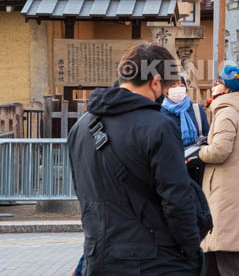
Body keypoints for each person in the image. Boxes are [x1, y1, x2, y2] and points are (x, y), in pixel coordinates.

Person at [68, 42, 202, 275]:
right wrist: (192, 250)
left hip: (97, 257)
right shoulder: (159, 126)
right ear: (155, 82)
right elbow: (177, 200)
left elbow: (82, 191)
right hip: (155, 261)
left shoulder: (81, 127)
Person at [198, 65, 239, 275]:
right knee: (212, 256)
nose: (214, 86)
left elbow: (219, 151)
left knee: (226, 254)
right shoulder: (236, 111)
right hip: (229, 189)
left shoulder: (226, 113)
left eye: (219, 83)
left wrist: (199, 152)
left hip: (225, 193)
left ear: (227, 89)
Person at [162, 75, 209, 145]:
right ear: (166, 91)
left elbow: (207, 135)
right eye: (173, 86)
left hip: (195, 151)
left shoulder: (197, 110)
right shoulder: (159, 112)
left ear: (186, 89)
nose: (178, 89)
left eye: (181, 86)